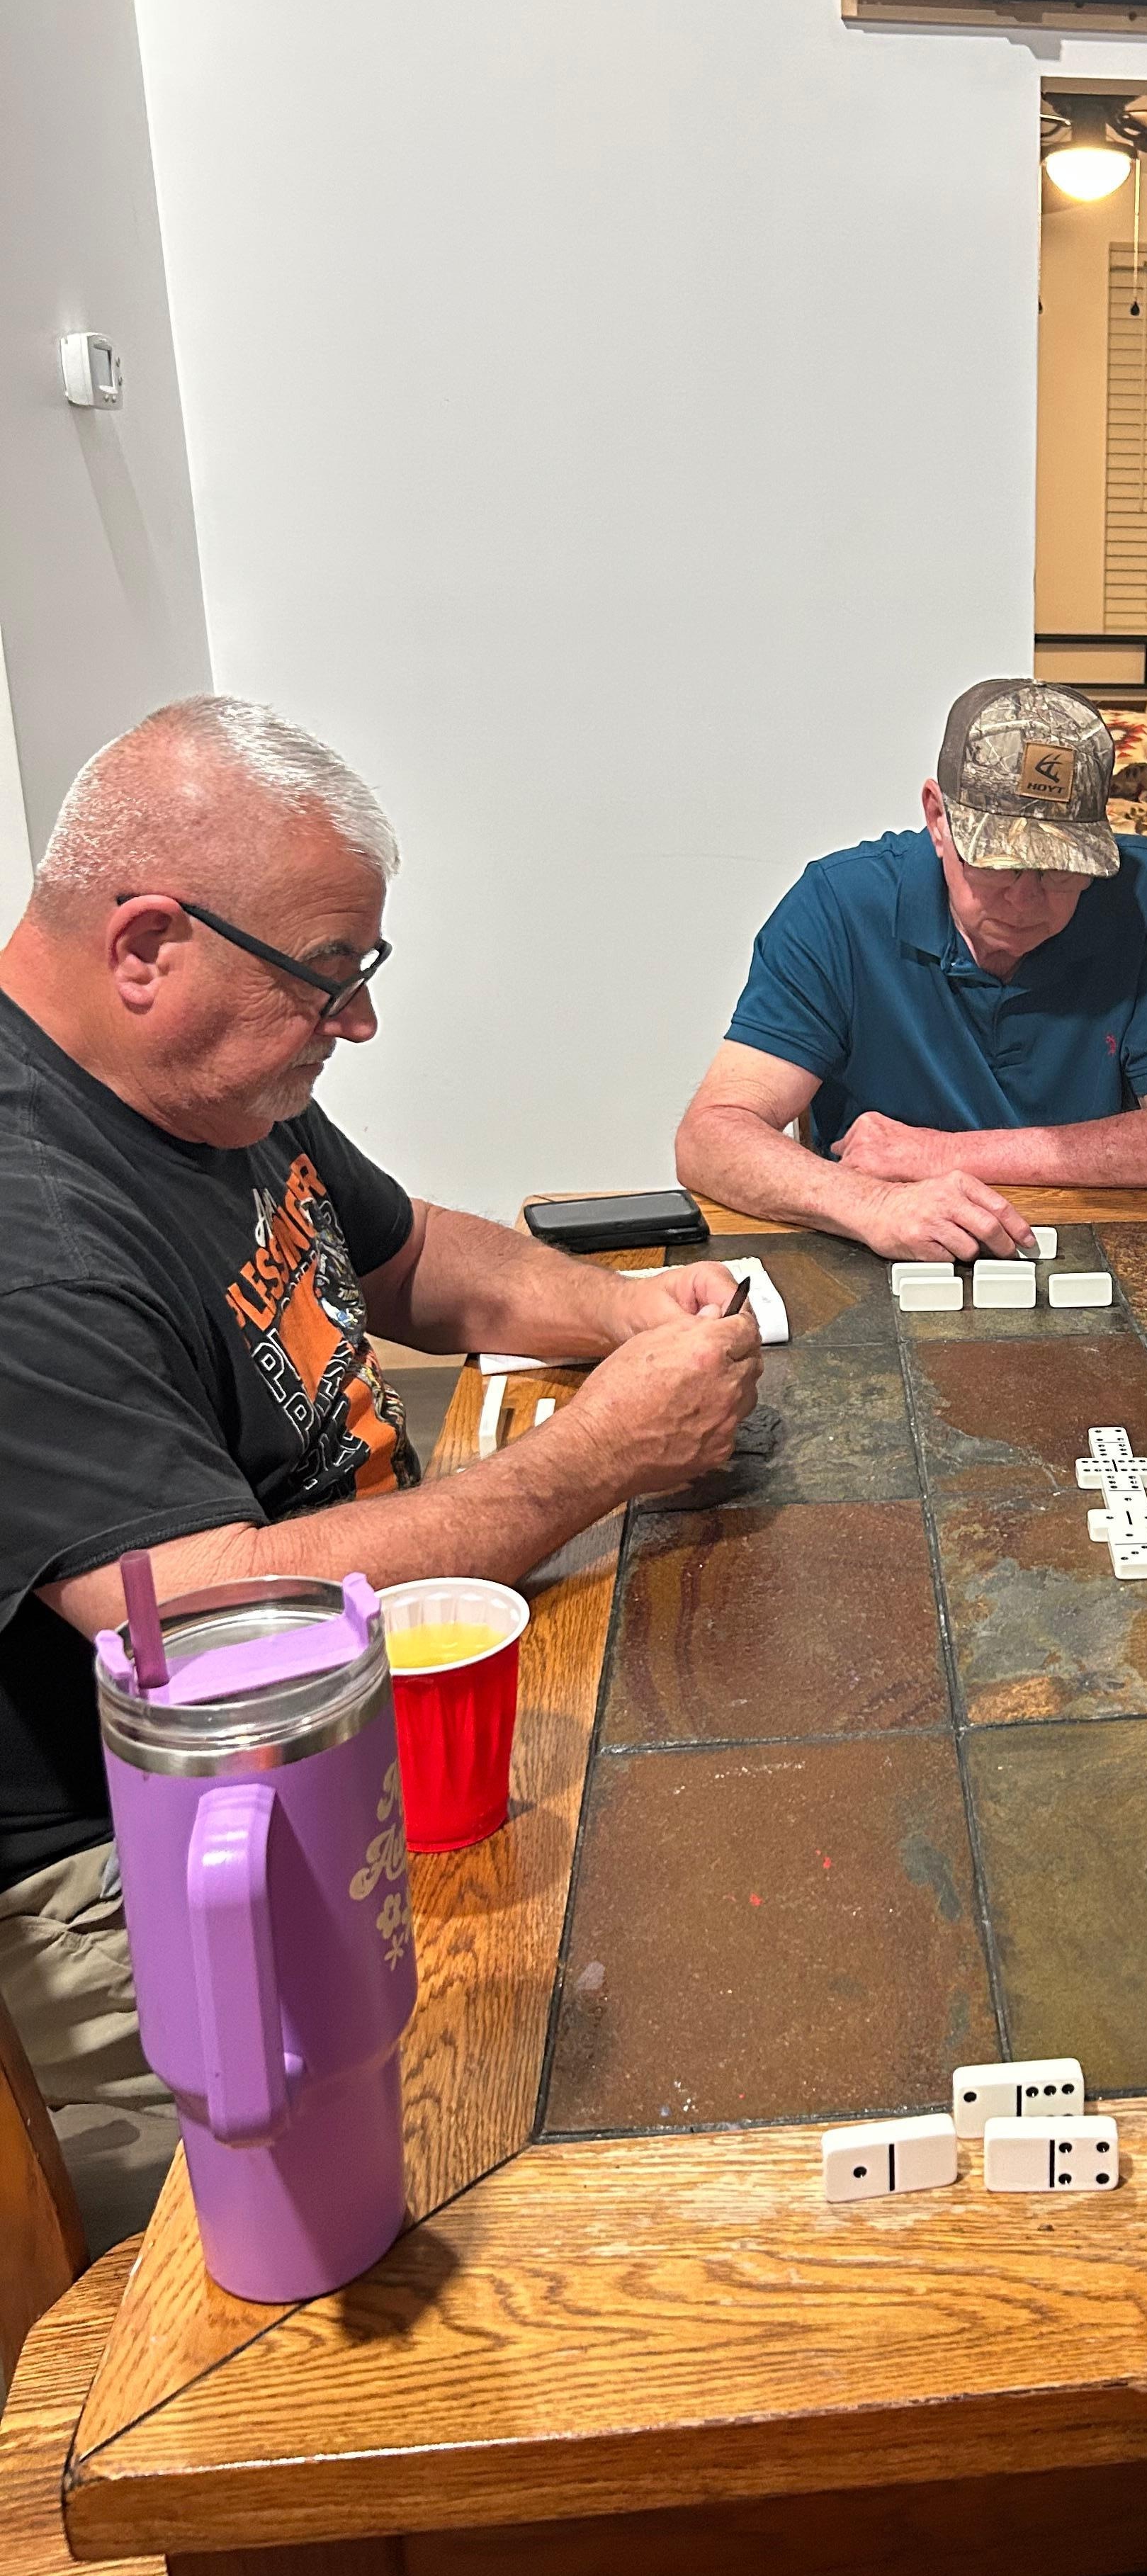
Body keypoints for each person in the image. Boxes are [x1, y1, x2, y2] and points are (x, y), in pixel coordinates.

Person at [0, 698, 761, 2239]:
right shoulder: (32, 1239)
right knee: (593, 2081)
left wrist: (627, 1313)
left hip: (357, 1689)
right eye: (332, 979)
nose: (356, 1026)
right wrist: (601, 1458)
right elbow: (209, 1627)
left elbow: (412, 1257)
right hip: (146, 1854)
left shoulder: (208, 1090)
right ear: (148, 945)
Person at [675, 679, 1147, 1258]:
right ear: (938, 819)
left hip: (1081, 1243)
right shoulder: (840, 905)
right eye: (997, 862)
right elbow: (710, 1136)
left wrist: (936, 1154)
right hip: (886, 1251)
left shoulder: (1146, 894)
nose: (1025, 899)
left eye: (1059, 869)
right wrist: (874, 1204)